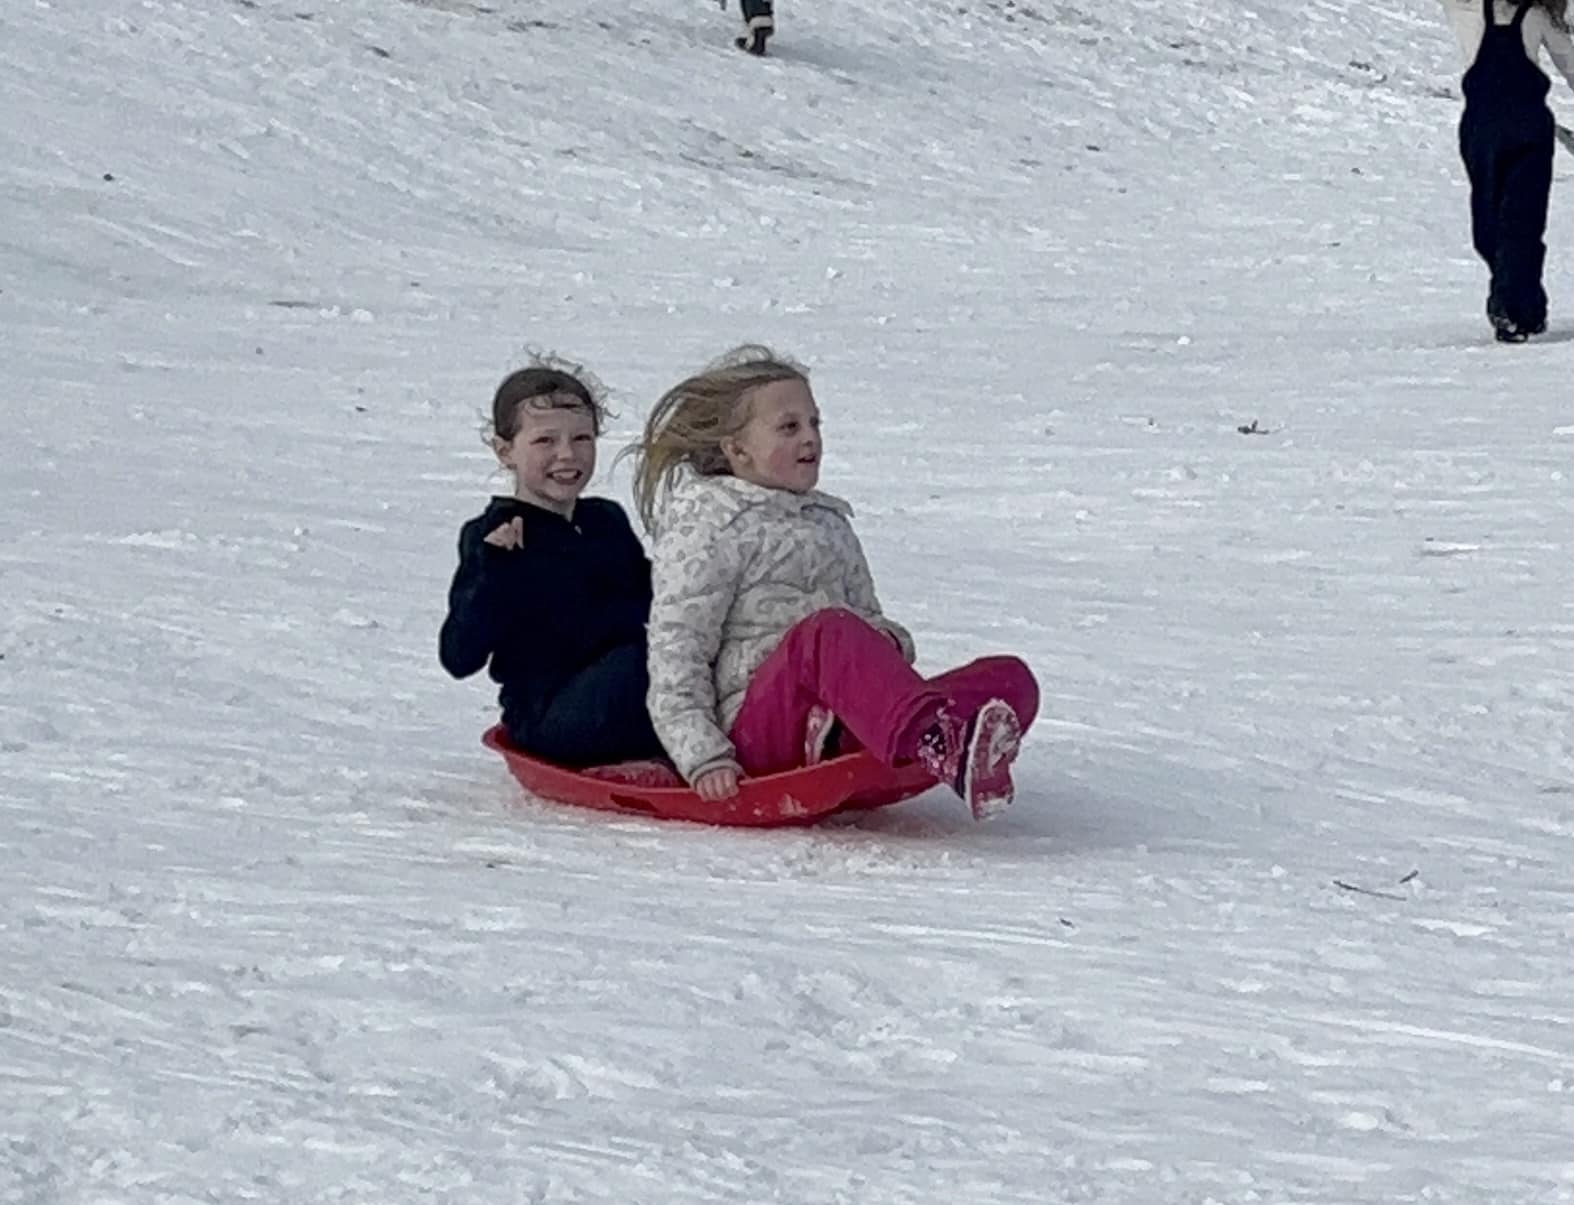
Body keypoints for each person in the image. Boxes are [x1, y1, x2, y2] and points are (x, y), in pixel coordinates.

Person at [629, 345, 1039, 820]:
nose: (811, 439)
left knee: (1009, 678)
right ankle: (938, 744)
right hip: (760, 734)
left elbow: (867, 619)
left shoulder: (829, 523)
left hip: (847, 715)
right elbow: (678, 649)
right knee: (827, 632)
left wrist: (885, 642)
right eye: (789, 427)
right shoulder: (710, 525)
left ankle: (899, 742)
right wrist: (703, 755)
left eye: (814, 424)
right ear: (736, 449)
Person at [439, 359, 663, 767]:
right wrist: (493, 571)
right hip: (551, 717)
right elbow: (459, 656)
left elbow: (658, 599)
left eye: (582, 438)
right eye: (545, 441)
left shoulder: (604, 521)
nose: (567, 454)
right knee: (645, 657)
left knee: (694, 650)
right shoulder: (495, 538)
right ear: (505, 450)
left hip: (628, 694)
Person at [1440, 0, 1574, 341]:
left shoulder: (1539, 15)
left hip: (1528, 130)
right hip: (1483, 130)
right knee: (1487, 229)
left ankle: (1512, 311)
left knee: (1521, 221)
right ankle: (1523, 306)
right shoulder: (1465, 9)